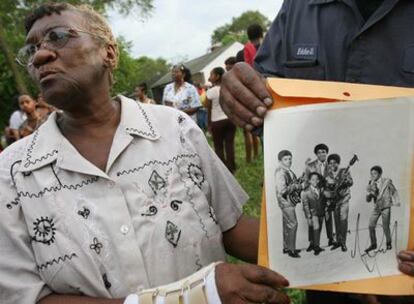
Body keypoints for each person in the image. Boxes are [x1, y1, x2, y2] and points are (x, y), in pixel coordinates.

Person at [0, 3, 291, 304]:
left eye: (58, 36)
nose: (40, 55)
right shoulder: (13, 174)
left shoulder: (174, 128)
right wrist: (195, 297)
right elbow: (25, 297)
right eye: (31, 49)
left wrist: (325, 245)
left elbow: (232, 227)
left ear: (108, 53)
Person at [220, 1, 414, 302]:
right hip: (325, 279)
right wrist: (240, 92)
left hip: (403, 273)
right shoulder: (300, 7)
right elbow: (264, 93)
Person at [205, 67, 236, 173]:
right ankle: (232, 167)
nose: (209, 77)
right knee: (229, 144)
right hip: (230, 120)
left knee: (218, 146)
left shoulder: (210, 92)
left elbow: (209, 109)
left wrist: (209, 125)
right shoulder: (229, 88)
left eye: (211, 74)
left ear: (217, 76)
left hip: (217, 121)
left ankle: (223, 170)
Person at [304, 144, 334, 247]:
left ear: (327, 153)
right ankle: (312, 242)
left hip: (327, 195)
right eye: (319, 152)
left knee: (328, 217)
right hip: (315, 196)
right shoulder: (310, 165)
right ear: (316, 154)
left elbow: (334, 180)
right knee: (314, 218)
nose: (322, 154)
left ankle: (331, 239)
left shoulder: (331, 165)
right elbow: (306, 181)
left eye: (324, 152)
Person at [365, 166, 400, 253]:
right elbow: (368, 200)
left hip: (386, 207)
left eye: (375, 173)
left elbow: (394, 191)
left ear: (380, 174)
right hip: (377, 207)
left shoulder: (386, 181)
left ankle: (388, 242)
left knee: (385, 226)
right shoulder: (371, 184)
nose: (373, 175)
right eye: (371, 174)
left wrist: (397, 201)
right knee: (371, 225)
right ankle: (373, 244)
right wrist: (368, 193)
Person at [274, 150, 302, 258]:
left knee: (287, 225)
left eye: (290, 159)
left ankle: (286, 247)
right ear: (279, 161)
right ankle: (291, 250)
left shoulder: (287, 170)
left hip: (288, 202)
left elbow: (290, 183)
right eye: (285, 159)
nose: (289, 161)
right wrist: (296, 187)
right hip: (285, 202)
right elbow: (282, 190)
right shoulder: (280, 172)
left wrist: (298, 180)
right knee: (293, 224)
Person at [323, 154, 353, 252]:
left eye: (334, 163)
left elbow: (351, 182)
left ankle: (343, 242)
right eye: (330, 163)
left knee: (343, 220)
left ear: (338, 163)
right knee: (336, 221)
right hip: (335, 200)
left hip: (344, 199)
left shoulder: (344, 171)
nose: (332, 165)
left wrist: (346, 180)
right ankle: (338, 242)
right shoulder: (328, 174)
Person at [301, 172, 325, 255]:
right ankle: (316, 247)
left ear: (318, 181)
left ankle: (314, 244)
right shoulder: (306, 191)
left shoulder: (320, 189)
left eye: (316, 179)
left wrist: (325, 212)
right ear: (309, 181)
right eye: (313, 179)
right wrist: (308, 217)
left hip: (321, 213)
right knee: (315, 228)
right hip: (312, 213)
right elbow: (305, 205)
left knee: (318, 229)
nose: (315, 181)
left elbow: (323, 201)